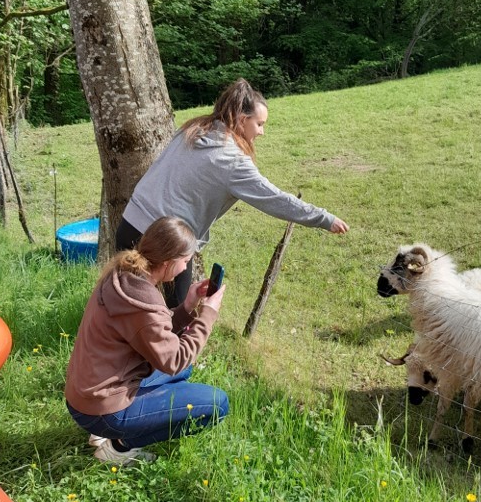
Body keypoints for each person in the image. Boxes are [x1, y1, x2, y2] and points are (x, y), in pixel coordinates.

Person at [116, 78, 349, 306]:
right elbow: (275, 199)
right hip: (166, 243)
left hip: (129, 225)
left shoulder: (193, 129)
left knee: (128, 309)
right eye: (259, 124)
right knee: (174, 318)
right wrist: (324, 219)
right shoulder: (231, 160)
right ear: (241, 120)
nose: (262, 132)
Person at [65, 216, 228, 465]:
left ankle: (110, 428)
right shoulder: (145, 301)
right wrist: (208, 313)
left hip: (85, 393)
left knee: (187, 369)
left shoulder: (123, 274)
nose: (186, 268)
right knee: (218, 404)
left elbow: (149, 331)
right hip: (101, 408)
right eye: (185, 261)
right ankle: (119, 446)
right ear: (168, 262)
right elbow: (174, 360)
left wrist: (187, 306)